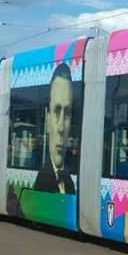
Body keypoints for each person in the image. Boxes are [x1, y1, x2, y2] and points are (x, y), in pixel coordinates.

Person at [34, 63, 76, 194]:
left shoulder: (69, 182)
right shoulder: (41, 180)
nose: (61, 128)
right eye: (57, 112)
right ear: (47, 119)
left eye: (67, 113)